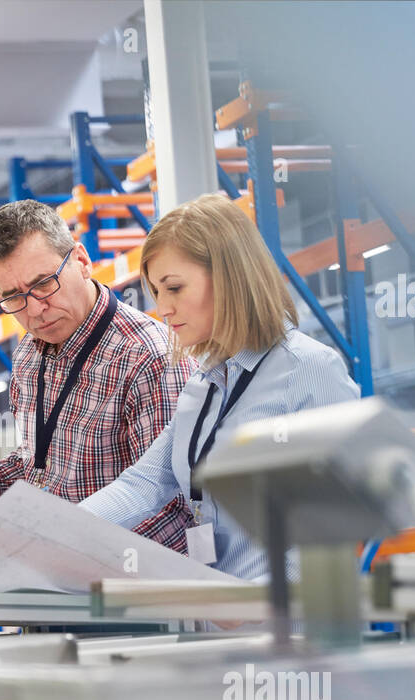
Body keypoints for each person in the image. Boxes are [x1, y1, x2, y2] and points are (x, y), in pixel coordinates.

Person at [80, 194, 360, 580]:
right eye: (157, 292)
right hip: (217, 625)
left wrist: (259, 600)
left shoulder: (309, 369)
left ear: (231, 277)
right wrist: (55, 531)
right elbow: (145, 482)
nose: (163, 308)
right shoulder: (204, 383)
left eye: (174, 288)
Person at [0, 199, 196, 550]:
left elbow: (174, 506)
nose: (35, 310)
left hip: (130, 589)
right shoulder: (30, 354)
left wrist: (70, 549)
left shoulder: (149, 358)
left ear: (82, 261)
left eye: (43, 283)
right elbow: (36, 465)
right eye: (14, 297)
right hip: (59, 580)